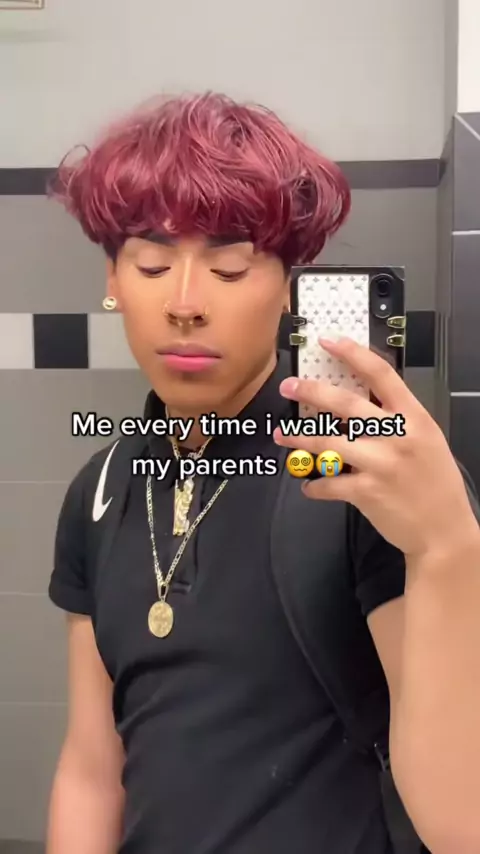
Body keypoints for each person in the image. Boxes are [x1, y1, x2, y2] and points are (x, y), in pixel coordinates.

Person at [46, 92, 480, 854]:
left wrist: (449, 547)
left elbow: (463, 825)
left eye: (230, 266)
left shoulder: (364, 476)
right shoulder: (101, 488)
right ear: (113, 277)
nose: (185, 303)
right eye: (152, 263)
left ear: (287, 287)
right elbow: (92, 768)